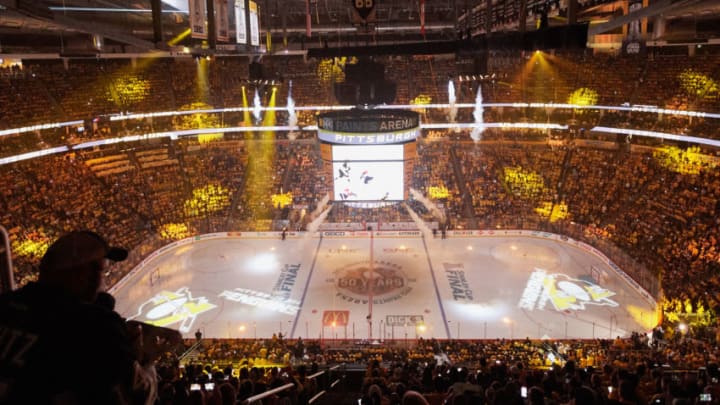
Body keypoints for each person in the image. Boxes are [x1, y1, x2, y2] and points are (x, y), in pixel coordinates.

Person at [0, 230, 160, 404]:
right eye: (102, 270)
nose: (102, 280)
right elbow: (139, 396)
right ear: (83, 274)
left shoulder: (5, 305)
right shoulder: (96, 325)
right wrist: (145, 360)